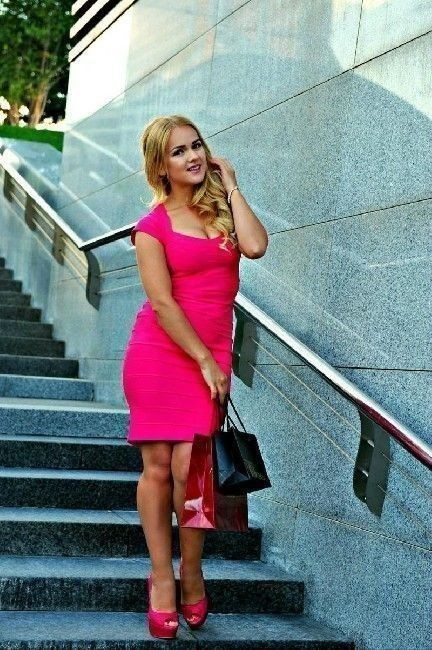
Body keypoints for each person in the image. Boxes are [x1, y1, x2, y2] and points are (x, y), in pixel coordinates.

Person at [121, 114, 268, 639]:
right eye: (179, 151)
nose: (193, 156)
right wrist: (203, 360)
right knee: (159, 467)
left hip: (211, 355)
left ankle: (193, 572)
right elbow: (162, 304)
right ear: (160, 166)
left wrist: (233, 185)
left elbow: (256, 246)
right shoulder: (152, 227)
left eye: (196, 145)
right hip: (161, 354)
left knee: (192, 469)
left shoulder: (222, 212)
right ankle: (162, 578)